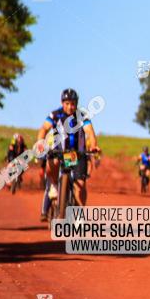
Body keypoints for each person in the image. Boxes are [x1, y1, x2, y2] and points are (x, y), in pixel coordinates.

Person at [36, 88, 100, 220]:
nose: (70, 107)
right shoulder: (55, 115)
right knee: (51, 164)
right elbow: (44, 128)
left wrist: (93, 146)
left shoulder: (82, 116)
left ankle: (79, 213)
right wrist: (40, 143)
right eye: (67, 103)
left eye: (73, 103)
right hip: (58, 152)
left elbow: (90, 132)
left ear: (76, 103)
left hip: (76, 154)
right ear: (62, 102)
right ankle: (54, 185)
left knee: (80, 185)